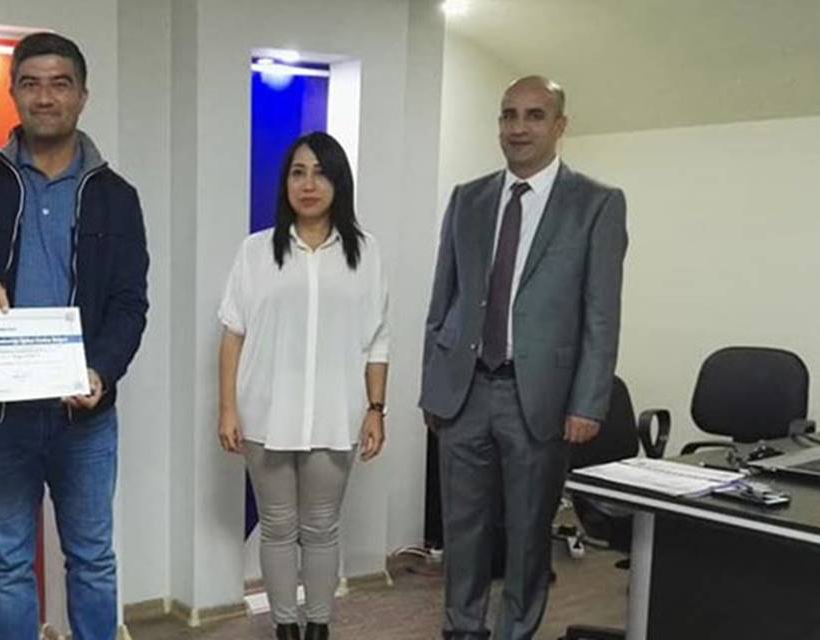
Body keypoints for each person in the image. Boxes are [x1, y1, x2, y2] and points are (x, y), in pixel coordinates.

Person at [0, 32, 148, 640]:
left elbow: (129, 305)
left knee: (92, 560)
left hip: (83, 416)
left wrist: (102, 371)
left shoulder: (117, 197)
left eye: (60, 84)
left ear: (82, 95)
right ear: (12, 92)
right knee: (9, 564)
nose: (45, 97)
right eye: (31, 83)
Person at [419, 75, 628, 640]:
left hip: (538, 398)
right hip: (464, 390)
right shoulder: (468, 198)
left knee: (529, 533)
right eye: (508, 115)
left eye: (535, 115)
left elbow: (601, 314)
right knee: (462, 530)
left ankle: (515, 632)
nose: (518, 127)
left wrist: (588, 401)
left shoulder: (596, 204)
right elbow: (443, 298)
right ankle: (462, 629)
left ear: (560, 125)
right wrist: (433, 385)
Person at [218, 132, 389, 640]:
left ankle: (318, 626)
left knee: (320, 527)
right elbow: (232, 335)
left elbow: (378, 340)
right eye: (298, 173)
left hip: (336, 414)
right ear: (285, 183)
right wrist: (227, 409)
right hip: (265, 414)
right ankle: (285, 627)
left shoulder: (365, 252)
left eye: (320, 173)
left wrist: (376, 408)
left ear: (339, 182)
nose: (308, 184)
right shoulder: (256, 251)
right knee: (277, 526)